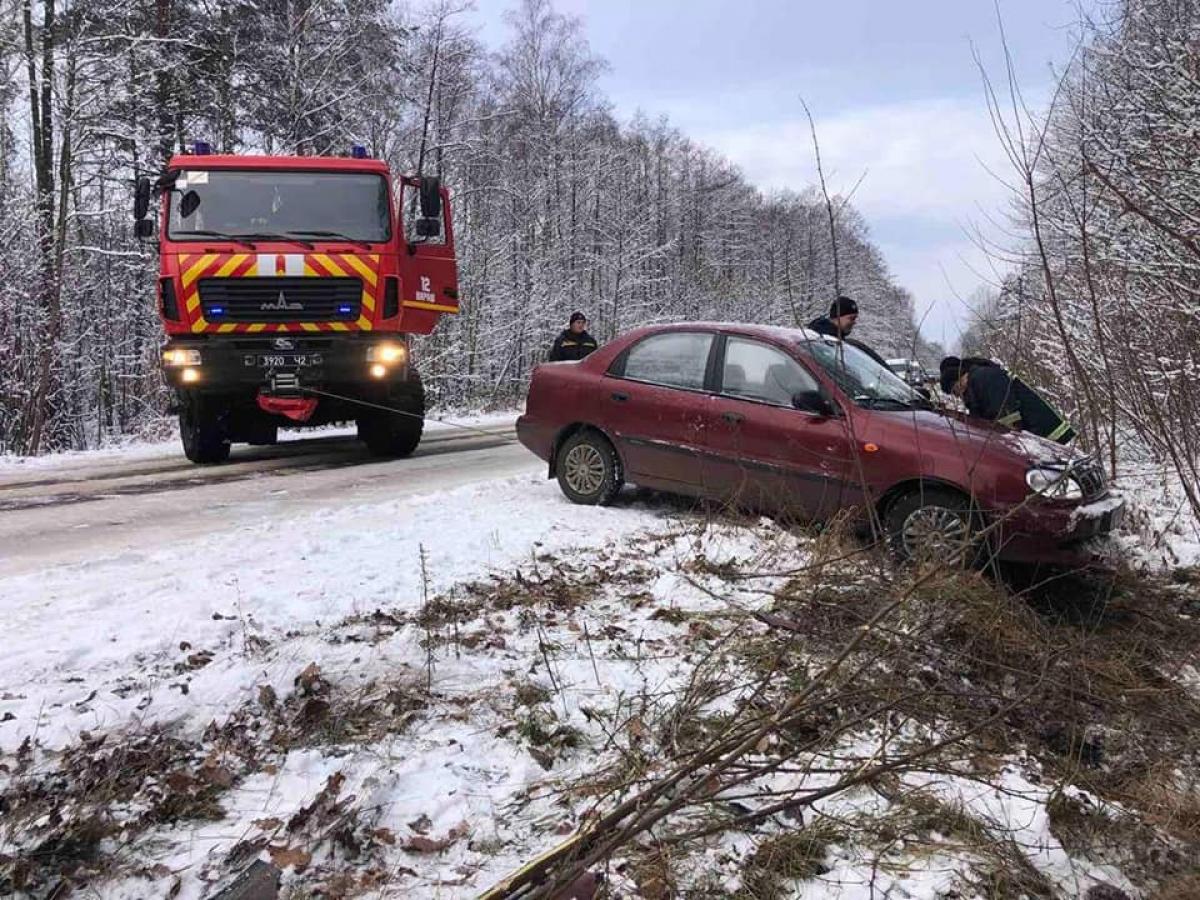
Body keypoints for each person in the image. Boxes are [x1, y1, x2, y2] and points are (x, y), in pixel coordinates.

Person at [939, 356, 1076, 444]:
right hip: (1038, 431)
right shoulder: (976, 384)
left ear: (959, 380)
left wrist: (1012, 442)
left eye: (955, 391)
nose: (957, 396)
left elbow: (1007, 413)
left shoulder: (984, 377)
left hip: (1047, 431)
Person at [806, 296, 891, 370]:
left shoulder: (840, 343)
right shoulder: (823, 344)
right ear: (837, 316)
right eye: (851, 318)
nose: (854, 322)